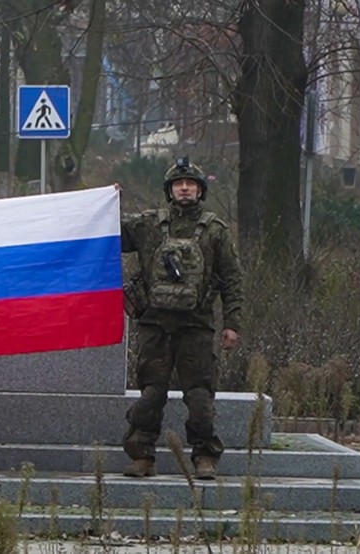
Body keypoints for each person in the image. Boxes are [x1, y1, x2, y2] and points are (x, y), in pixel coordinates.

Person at [119, 157, 244, 480]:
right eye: (178, 184)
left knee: (200, 396)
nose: (185, 188)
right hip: (155, 325)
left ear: (200, 190)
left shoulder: (215, 231)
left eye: (190, 184)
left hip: (197, 326)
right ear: (169, 190)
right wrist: (108, 203)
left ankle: (205, 457)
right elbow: (111, 237)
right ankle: (141, 457)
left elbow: (232, 279)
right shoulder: (147, 225)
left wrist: (232, 323)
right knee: (150, 395)